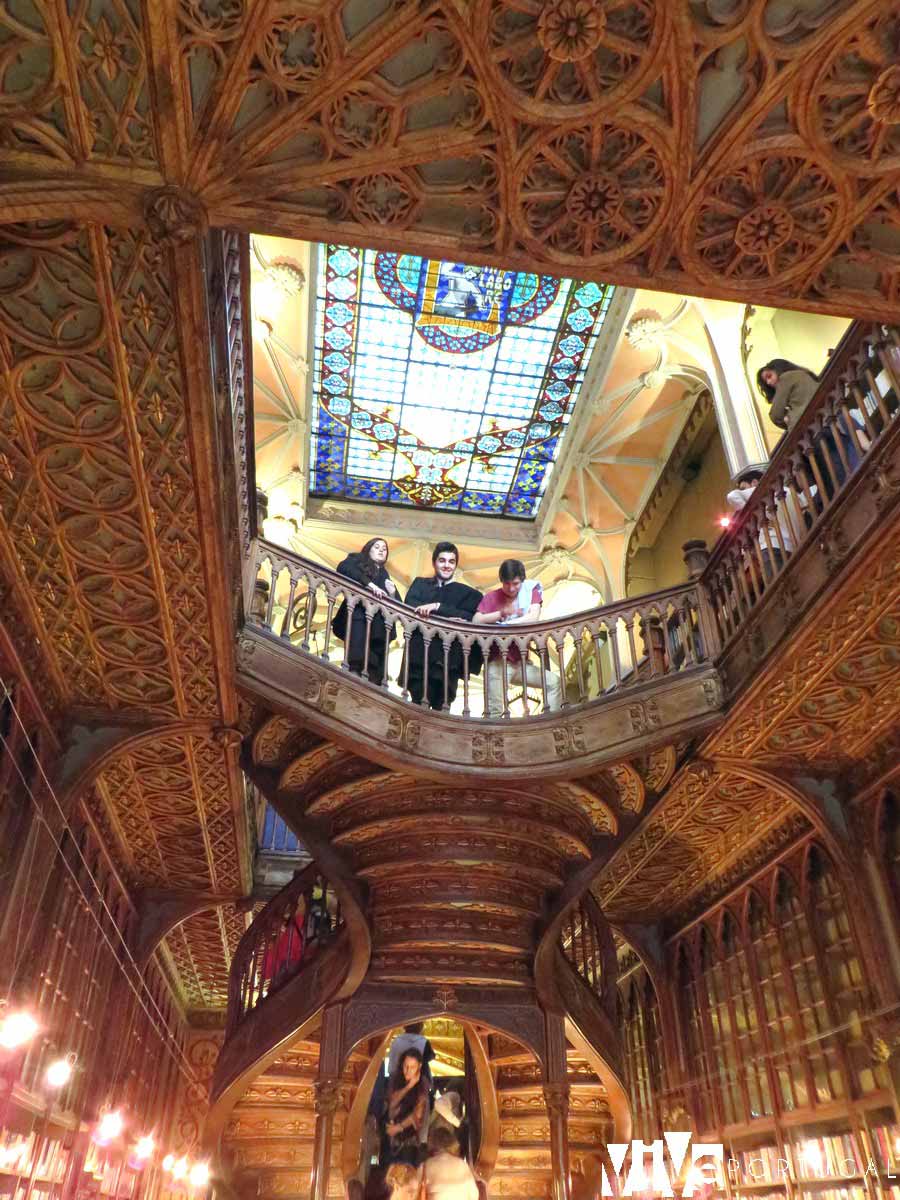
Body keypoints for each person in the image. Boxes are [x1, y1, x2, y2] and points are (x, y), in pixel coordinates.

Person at [474, 560, 562, 717]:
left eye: (515, 583)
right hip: (498, 662)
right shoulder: (492, 597)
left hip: (521, 663)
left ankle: (549, 723)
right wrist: (500, 614)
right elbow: (476, 621)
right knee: (495, 711)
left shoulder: (529, 590)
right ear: (501, 581)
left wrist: (507, 625)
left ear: (522, 580)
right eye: (506, 584)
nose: (511, 588)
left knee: (554, 682)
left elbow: (533, 617)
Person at [403, 543, 483, 710]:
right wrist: (450, 615)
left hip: (448, 659)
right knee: (416, 704)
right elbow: (410, 605)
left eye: (451, 561)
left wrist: (437, 606)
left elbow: (472, 617)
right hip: (420, 654)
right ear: (434, 563)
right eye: (442, 560)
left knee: (442, 704)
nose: (447, 565)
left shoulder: (468, 593)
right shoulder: (420, 584)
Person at [333, 538, 396, 685]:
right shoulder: (357, 559)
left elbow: (396, 605)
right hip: (358, 614)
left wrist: (392, 593)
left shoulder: (385, 574)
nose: (381, 550)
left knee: (374, 667)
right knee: (356, 659)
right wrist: (369, 585)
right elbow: (343, 568)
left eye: (384, 548)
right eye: (377, 546)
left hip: (377, 626)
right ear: (368, 549)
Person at [725, 468, 795, 580]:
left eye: (744, 488)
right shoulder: (789, 490)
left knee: (779, 586)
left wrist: (752, 515)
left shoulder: (761, 491)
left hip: (772, 545)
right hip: (794, 544)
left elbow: (732, 496)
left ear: (754, 483)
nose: (743, 491)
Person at [382, 1049, 429, 1168]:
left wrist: (398, 1128)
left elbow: (418, 1114)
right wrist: (409, 1086)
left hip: (409, 1142)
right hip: (390, 1138)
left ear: (419, 1066)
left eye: (412, 1067)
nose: (408, 1070)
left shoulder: (423, 1084)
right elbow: (392, 1103)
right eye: (405, 1066)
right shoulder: (396, 1079)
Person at [422, 1125, 479, 1200]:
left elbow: (415, 1193)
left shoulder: (427, 1165)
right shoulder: (462, 1164)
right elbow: (474, 1195)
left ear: (431, 1144)